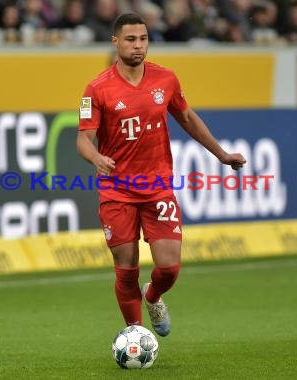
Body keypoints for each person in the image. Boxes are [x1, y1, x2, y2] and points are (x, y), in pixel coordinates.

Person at [76, 13, 246, 337]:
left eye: (143, 39)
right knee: (126, 268)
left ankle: (153, 296)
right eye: (130, 39)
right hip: (117, 191)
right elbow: (83, 138)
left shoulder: (165, 79)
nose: (138, 46)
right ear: (115, 41)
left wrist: (221, 154)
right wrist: (96, 157)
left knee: (169, 269)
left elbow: (187, 118)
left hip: (157, 187)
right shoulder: (97, 89)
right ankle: (136, 333)